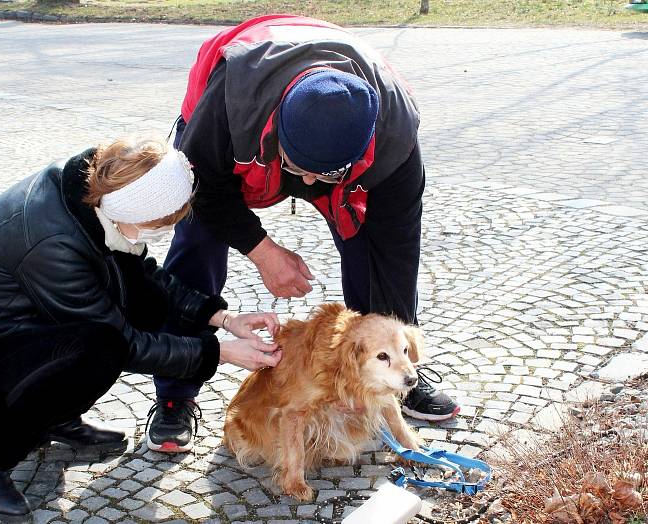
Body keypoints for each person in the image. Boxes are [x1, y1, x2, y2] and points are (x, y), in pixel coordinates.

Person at [0, 137, 282, 523]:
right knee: (97, 349)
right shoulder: (54, 240)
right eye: (159, 222)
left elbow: (144, 278)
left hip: (15, 339)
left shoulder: (100, 195)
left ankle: (49, 418)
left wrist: (223, 319)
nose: (161, 231)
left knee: (142, 301)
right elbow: (124, 344)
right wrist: (219, 352)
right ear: (136, 209)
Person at [148, 14, 460, 453]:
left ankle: (385, 376)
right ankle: (175, 394)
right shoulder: (230, 102)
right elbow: (205, 191)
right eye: (299, 170)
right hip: (235, 131)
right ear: (276, 131)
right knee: (196, 242)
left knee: (372, 248)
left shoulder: (395, 141)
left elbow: (396, 252)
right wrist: (263, 250)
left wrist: (394, 353)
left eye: (324, 175)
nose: (309, 185)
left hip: (343, 151)